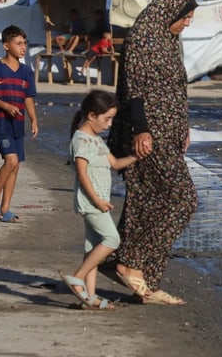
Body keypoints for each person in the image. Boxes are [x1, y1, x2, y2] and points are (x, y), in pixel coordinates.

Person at [108, 0, 198, 305]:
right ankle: (130, 262)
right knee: (183, 199)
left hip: (169, 133)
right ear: (169, 11)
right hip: (148, 134)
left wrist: (183, 126)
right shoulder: (143, 35)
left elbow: (175, 87)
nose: (187, 23)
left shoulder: (170, 39)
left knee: (147, 201)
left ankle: (145, 282)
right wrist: (142, 131)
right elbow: (134, 88)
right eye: (185, 17)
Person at [59, 90, 138, 311]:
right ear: (92, 115)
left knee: (92, 248)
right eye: (107, 119)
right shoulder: (81, 140)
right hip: (91, 202)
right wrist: (98, 201)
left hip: (99, 201)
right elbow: (82, 175)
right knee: (112, 240)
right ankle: (78, 277)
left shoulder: (97, 140)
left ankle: (90, 296)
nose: (110, 124)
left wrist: (137, 156)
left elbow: (114, 163)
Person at [0, 25, 38, 223]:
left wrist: (34, 120)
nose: (23, 47)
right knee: (11, 161)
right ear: (6, 46)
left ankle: (5, 209)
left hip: (19, 124)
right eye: (18, 43)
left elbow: (28, 98)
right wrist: (5, 106)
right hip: (1, 123)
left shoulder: (26, 72)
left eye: (25, 43)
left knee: (16, 167)